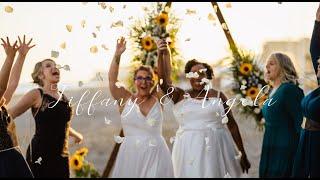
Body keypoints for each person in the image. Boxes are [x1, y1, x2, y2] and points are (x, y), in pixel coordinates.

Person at [156, 39, 250, 178]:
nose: (198, 77)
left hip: (218, 149)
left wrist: (242, 153)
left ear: (208, 76)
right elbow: (164, 82)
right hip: (188, 150)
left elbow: (232, 125)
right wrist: (162, 54)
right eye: (193, 73)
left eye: (202, 73)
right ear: (188, 76)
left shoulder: (219, 96)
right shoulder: (180, 95)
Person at [107, 37, 174, 178]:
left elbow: (166, 78)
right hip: (131, 156)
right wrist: (117, 54)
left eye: (148, 78)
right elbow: (112, 81)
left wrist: (164, 52)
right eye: (140, 78)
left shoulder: (158, 98)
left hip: (157, 155)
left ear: (152, 81)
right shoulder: (124, 99)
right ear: (134, 81)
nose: (144, 82)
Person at [8, 55, 83, 177]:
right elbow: (11, 113)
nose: (55, 68)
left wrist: (76, 135)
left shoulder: (63, 97)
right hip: (40, 155)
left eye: (56, 66)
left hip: (62, 156)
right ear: (40, 75)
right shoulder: (37, 94)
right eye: (48, 66)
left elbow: (61, 124)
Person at [259, 52, 304, 177]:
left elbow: (300, 123)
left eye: (272, 63)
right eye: (266, 64)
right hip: (270, 144)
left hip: (285, 148)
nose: (267, 66)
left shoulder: (290, 90)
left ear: (284, 67)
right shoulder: (272, 91)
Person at [292, 4, 320, 178]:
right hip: (307, 141)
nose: (317, 65)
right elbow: (315, 51)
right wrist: (318, 22)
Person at [0, 36, 34, 178]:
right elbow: (2, 87)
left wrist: (20, 56)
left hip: (13, 158)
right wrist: (10, 57)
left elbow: (12, 84)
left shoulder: (2, 104)